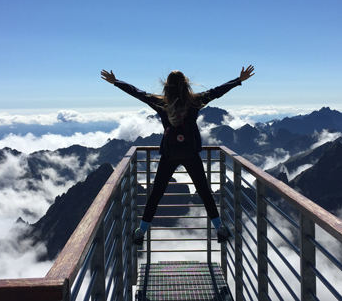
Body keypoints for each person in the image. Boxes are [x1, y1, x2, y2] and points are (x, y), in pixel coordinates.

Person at [101, 66, 255, 245]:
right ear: (186, 84)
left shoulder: (161, 103)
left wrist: (116, 82)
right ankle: (219, 227)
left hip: (169, 154)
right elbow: (217, 92)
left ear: (167, 86)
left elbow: (138, 93)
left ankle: (141, 231)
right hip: (190, 153)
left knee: (156, 193)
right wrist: (238, 79)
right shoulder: (195, 102)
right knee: (204, 192)